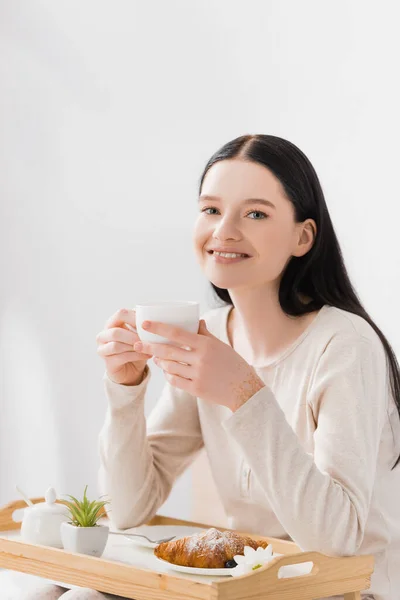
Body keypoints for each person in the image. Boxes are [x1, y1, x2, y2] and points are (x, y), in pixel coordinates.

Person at [25, 134, 400, 599]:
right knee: (62, 593)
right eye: (210, 209)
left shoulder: (345, 345)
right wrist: (126, 389)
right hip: (245, 585)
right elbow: (128, 509)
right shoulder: (210, 335)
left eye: (256, 213)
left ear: (303, 237)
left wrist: (244, 394)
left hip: (340, 591)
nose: (224, 230)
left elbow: (336, 539)